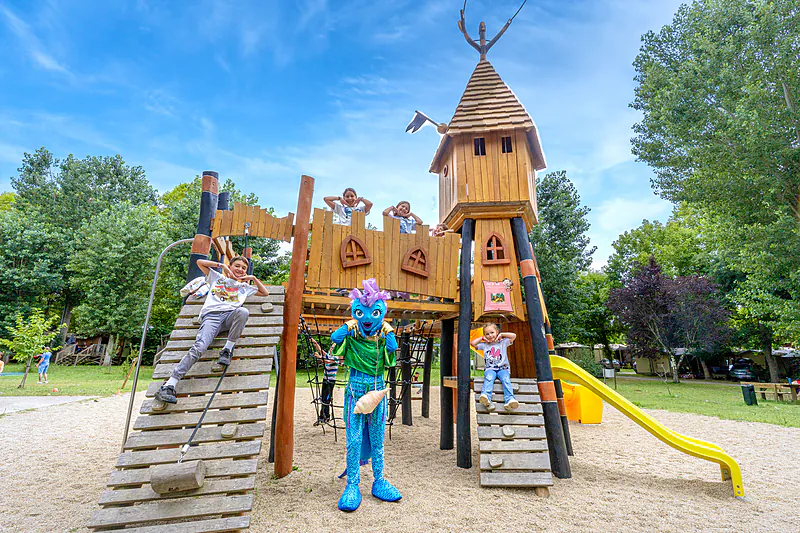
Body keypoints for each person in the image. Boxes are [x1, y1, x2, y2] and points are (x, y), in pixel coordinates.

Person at [155, 257, 270, 404]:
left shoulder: (244, 288)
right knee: (199, 347)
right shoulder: (217, 277)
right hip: (212, 317)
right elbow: (199, 263)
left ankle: (227, 350)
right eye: (237, 266)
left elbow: (264, 292)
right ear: (230, 266)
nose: (240, 269)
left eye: (243, 268)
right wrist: (221, 265)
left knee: (243, 312)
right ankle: (169, 384)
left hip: (230, 317)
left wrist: (252, 277)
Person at [331, 279, 401, 511]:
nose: (369, 319)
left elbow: (391, 348)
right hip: (354, 389)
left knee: (378, 437)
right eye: (362, 313)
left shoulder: (382, 334)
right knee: (353, 439)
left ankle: (379, 480)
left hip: (377, 389)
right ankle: (353, 484)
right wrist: (350, 324)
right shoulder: (353, 332)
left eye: (375, 313)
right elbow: (335, 339)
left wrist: (388, 328)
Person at [471, 323, 519, 412]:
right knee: (489, 378)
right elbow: (473, 343)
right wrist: (482, 338)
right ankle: (486, 396)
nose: (490, 335)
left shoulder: (503, 342)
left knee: (506, 379)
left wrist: (502, 334)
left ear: (497, 332)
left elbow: (513, 336)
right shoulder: (484, 345)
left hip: (503, 369)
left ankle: (510, 399)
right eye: (487, 334)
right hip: (490, 369)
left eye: (492, 332)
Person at [310, 337, 340, 425]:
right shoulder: (329, 356)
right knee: (322, 398)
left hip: (330, 381)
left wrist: (319, 357)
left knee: (327, 399)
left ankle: (326, 417)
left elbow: (326, 361)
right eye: (331, 347)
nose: (331, 349)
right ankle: (321, 417)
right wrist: (314, 342)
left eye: (333, 348)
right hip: (325, 380)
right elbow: (320, 350)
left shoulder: (336, 358)